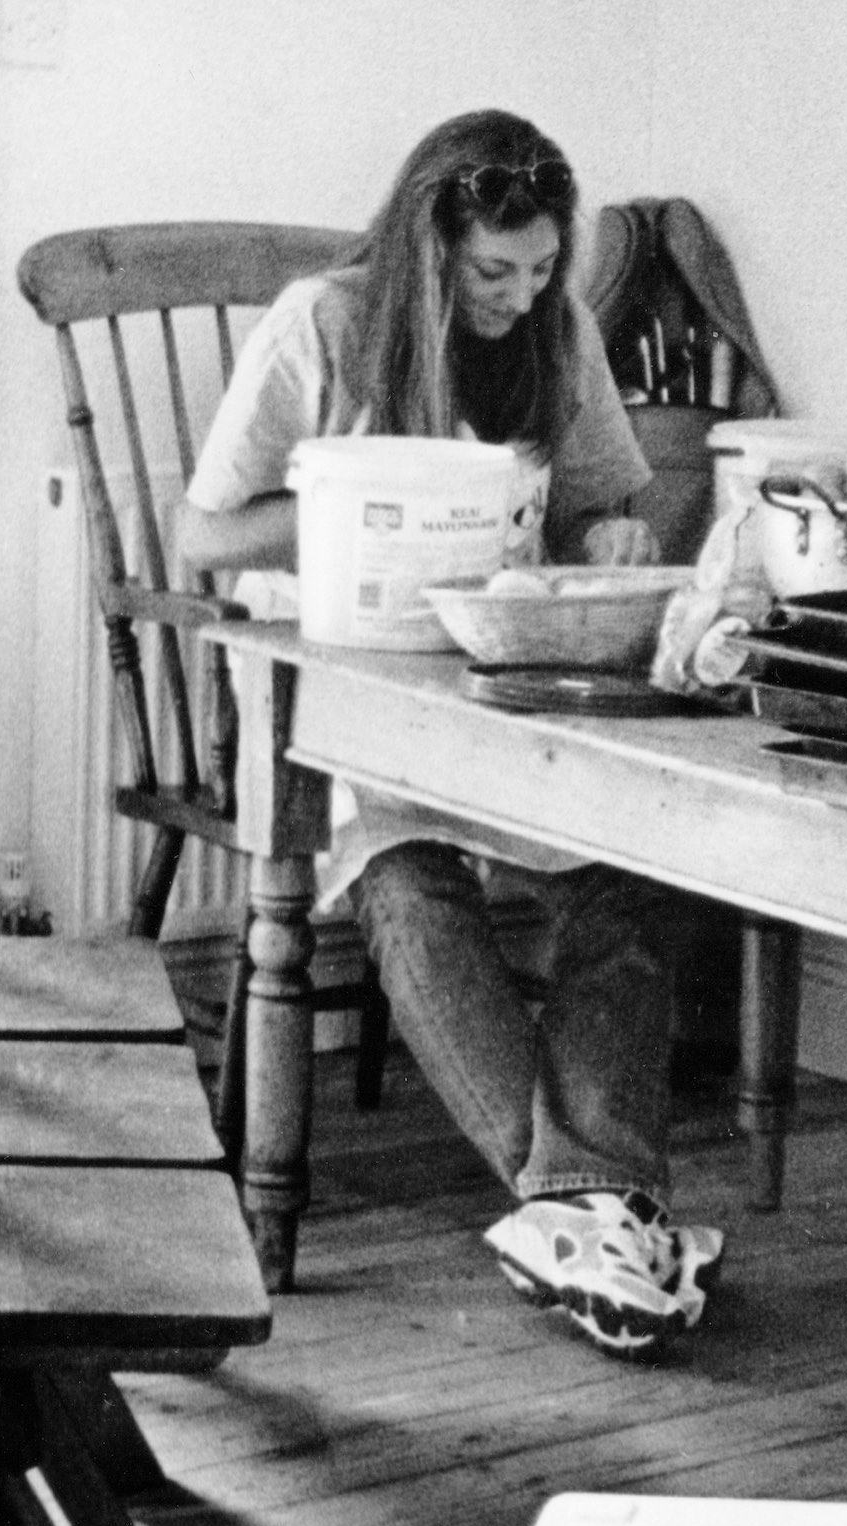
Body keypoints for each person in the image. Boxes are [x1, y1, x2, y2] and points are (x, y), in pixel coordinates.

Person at [175, 107, 725, 1363]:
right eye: (492, 272)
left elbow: (607, 506)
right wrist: (356, 504)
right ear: (431, 249)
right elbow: (201, 542)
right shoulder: (320, 323)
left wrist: (615, 537)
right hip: (345, 699)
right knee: (410, 889)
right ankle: (601, 1215)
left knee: (632, 871)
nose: (519, 297)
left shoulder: (555, 330)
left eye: (541, 271)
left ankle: (577, 1219)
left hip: (502, 683)